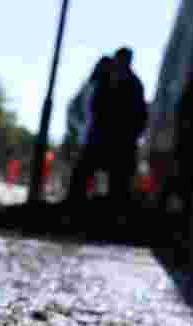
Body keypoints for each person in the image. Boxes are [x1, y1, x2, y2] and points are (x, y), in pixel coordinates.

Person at [66, 47, 147, 211]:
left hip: (120, 142)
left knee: (118, 185)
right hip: (101, 138)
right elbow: (95, 106)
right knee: (82, 175)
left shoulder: (133, 84)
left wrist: (132, 134)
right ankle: (73, 209)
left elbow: (140, 114)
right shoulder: (106, 79)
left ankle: (112, 216)